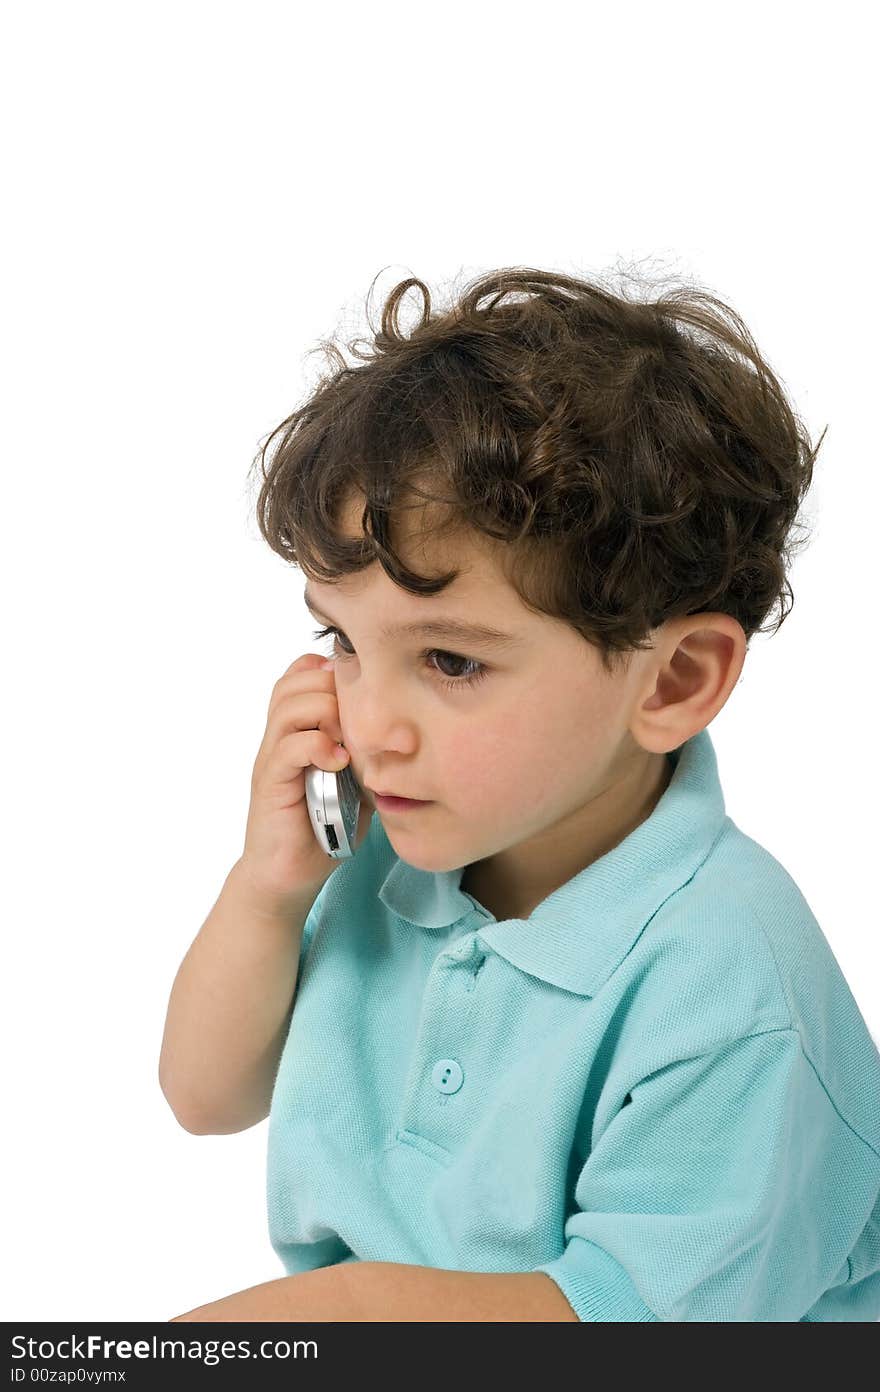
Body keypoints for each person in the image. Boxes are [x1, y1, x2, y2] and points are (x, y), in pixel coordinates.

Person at [160, 266, 880, 1322]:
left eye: (450, 663)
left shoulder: (732, 991)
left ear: (673, 681)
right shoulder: (392, 844)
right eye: (341, 642)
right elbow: (205, 1097)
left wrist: (335, 1317)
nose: (369, 726)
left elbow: (620, 1322)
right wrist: (268, 890)